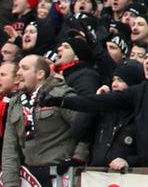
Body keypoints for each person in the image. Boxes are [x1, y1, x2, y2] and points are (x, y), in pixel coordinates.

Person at [45, 41, 148, 171]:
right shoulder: (139, 90)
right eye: (146, 57)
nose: (147, 61)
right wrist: (62, 102)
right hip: (144, 168)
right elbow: (96, 102)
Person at [2, 55, 87, 187]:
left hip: (62, 174)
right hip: (30, 176)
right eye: (18, 68)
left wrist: (77, 158)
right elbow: (9, 149)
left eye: (24, 68)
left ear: (40, 74)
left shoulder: (60, 95)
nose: (18, 73)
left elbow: (85, 126)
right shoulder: (15, 103)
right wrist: (10, 184)